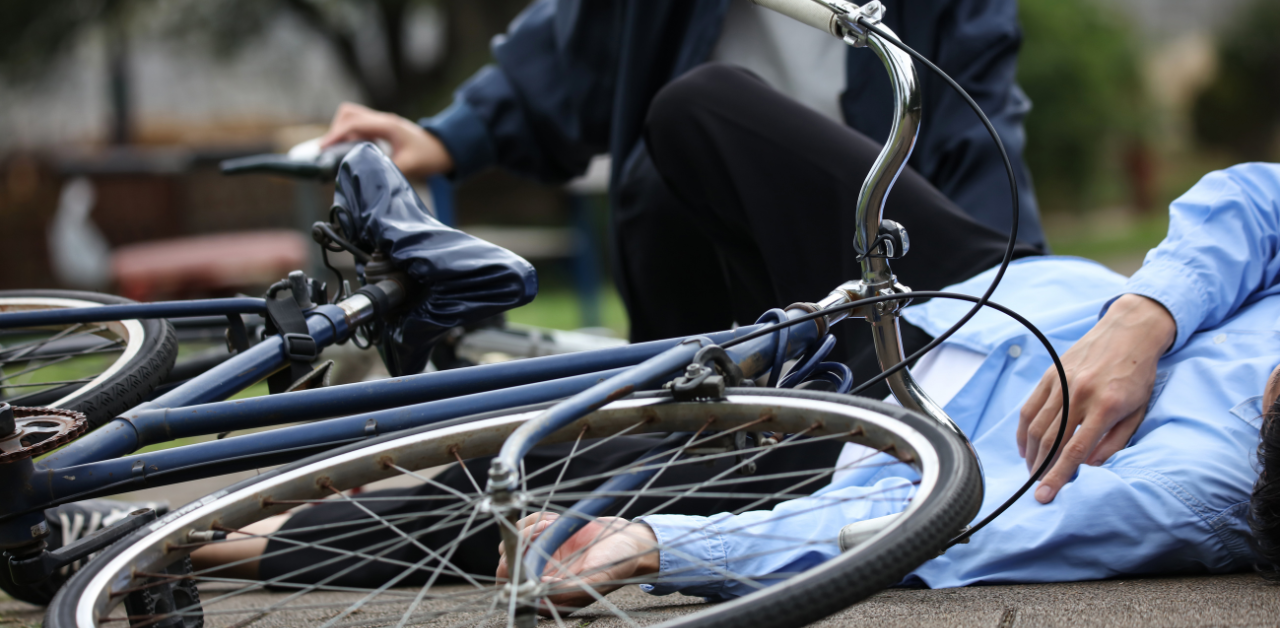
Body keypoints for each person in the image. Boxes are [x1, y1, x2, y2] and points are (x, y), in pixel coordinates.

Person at [493, 161, 1280, 607]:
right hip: (983, 295)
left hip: (877, 435)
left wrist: (658, 546)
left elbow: (945, 529)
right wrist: (1142, 319)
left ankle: (683, 422)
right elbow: (1260, 197)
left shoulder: (1194, 489)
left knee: (501, 493)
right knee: (702, 116)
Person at [318, 0, 1047, 355]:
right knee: (670, 150)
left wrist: (1014, 308)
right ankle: (290, 532)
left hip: (874, 251)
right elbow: (573, 48)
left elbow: (979, 123)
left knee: (699, 107)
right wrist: (448, 136)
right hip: (702, 248)